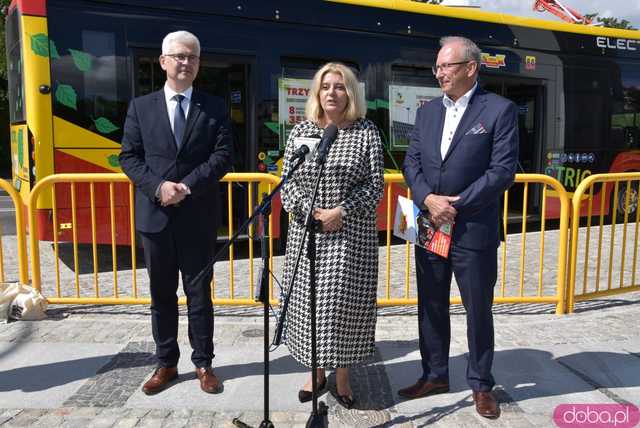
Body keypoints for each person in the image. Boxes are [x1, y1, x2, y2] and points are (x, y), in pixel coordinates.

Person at [400, 36, 518, 419]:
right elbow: (411, 163)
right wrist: (428, 199)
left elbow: (501, 172)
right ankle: (434, 374)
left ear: (470, 68)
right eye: (437, 67)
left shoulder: (499, 110)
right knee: (430, 303)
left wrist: (456, 204)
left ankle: (481, 384)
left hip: (473, 229)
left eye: (446, 67)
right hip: (429, 222)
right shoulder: (428, 111)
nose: (439, 74)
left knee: (478, 308)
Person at [119, 31, 232, 395]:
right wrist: (158, 187)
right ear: (163, 61)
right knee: (162, 295)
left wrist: (185, 186)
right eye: (179, 56)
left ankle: (204, 364)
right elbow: (129, 157)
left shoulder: (213, 107)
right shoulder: (141, 107)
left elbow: (223, 156)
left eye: (193, 57)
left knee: (200, 296)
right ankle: (166, 363)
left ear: (199, 65)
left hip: (197, 217)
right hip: (155, 218)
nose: (186, 63)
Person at [280, 62, 384, 409]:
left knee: (342, 309)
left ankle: (342, 374)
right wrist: (304, 211)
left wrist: (342, 211)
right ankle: (315, 370)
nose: (332, 93)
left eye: (339, 86)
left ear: (350, 93)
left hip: (350, 237)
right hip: (306, 234)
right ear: (317, 93)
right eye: (325, 87)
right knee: (310, 308)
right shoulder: (302, 131)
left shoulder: (365, 131)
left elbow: (375, 186)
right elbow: (288, 183)